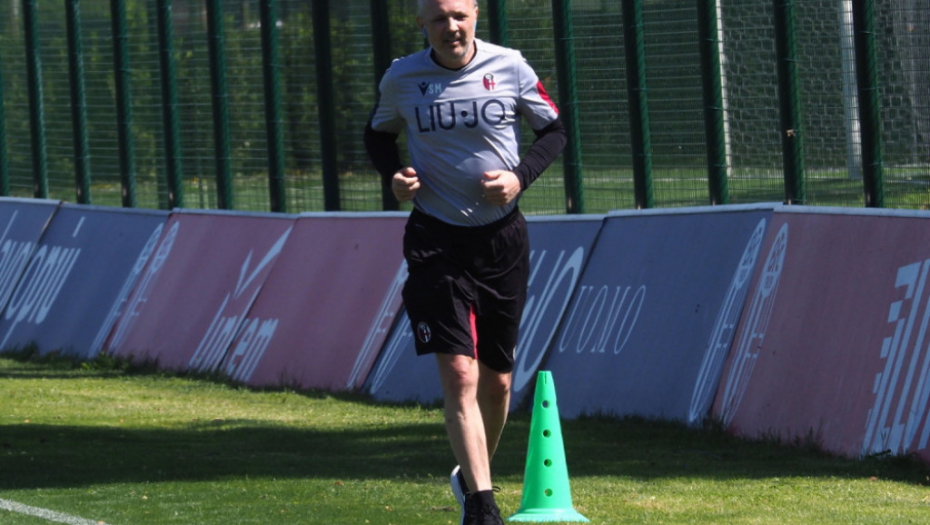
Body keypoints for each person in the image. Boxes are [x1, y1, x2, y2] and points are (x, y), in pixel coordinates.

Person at [364, 0, 566, 523]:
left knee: (498, 383)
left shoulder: (510, 66)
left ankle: (471, 476)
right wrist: (395, 176)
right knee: (459, 371)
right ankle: (482, 504)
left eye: (459, 15)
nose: (450, 27)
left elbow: (554, 130)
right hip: (435, 240)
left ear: (475, 13)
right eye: (438, 18)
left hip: (502, 240)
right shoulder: (402, 77)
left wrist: (519, 178)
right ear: (421, 24)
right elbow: (378, 133)